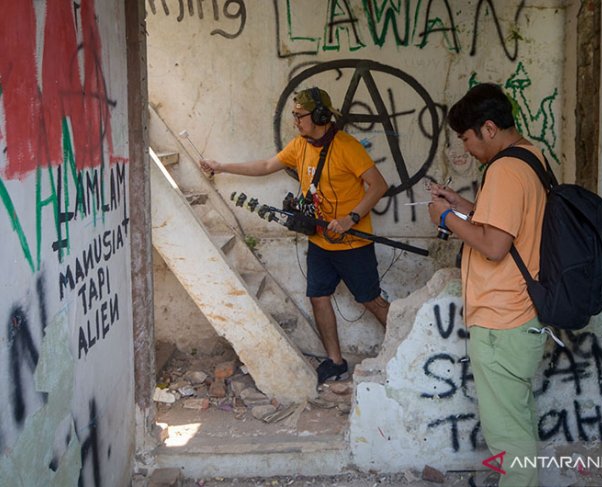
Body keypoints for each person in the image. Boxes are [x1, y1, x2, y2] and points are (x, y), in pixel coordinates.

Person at [200, 87, 389, 383]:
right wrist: (220, 166)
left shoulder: (347, 146)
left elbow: (378, 185)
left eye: (300, 116)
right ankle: (335, 362)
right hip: (319, 240)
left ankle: (408, 351)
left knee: (371, 300)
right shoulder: (299, 145)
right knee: (318, 297)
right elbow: (265, 166)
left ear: (320, 116)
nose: (296, 122)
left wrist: (351, 218)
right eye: (294, 116)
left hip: (353, 243)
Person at [428, 83, 548, 487]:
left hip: (502, 319)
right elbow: (507, 225)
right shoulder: (531, 158)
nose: (467, 149)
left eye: (467, 138)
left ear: (489, 129)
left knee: (507, 437)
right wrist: (463, 207)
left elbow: (495, 246)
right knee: (518, 424)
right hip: (521, 316)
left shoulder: (503, 170)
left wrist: (445, 220)